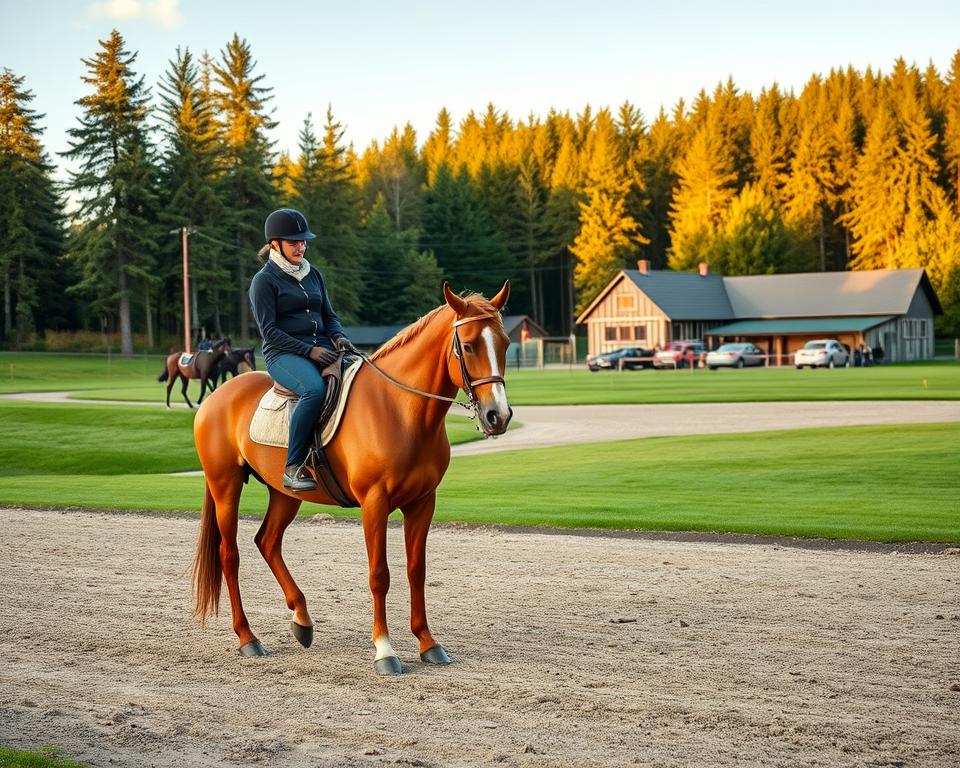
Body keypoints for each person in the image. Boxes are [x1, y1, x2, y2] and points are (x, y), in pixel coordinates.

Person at [249, 208, 358, 492]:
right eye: (294, 241)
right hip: (282, 355)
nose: (301, 246)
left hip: (323, 347)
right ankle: (293, 465)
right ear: (275, 243)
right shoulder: (264, 281)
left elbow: (329, 316)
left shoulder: (314, 275)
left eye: (304, 241)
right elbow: (269, 331)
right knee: (313, 389)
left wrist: (340, 337)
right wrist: (308, 352)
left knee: (364, 375)